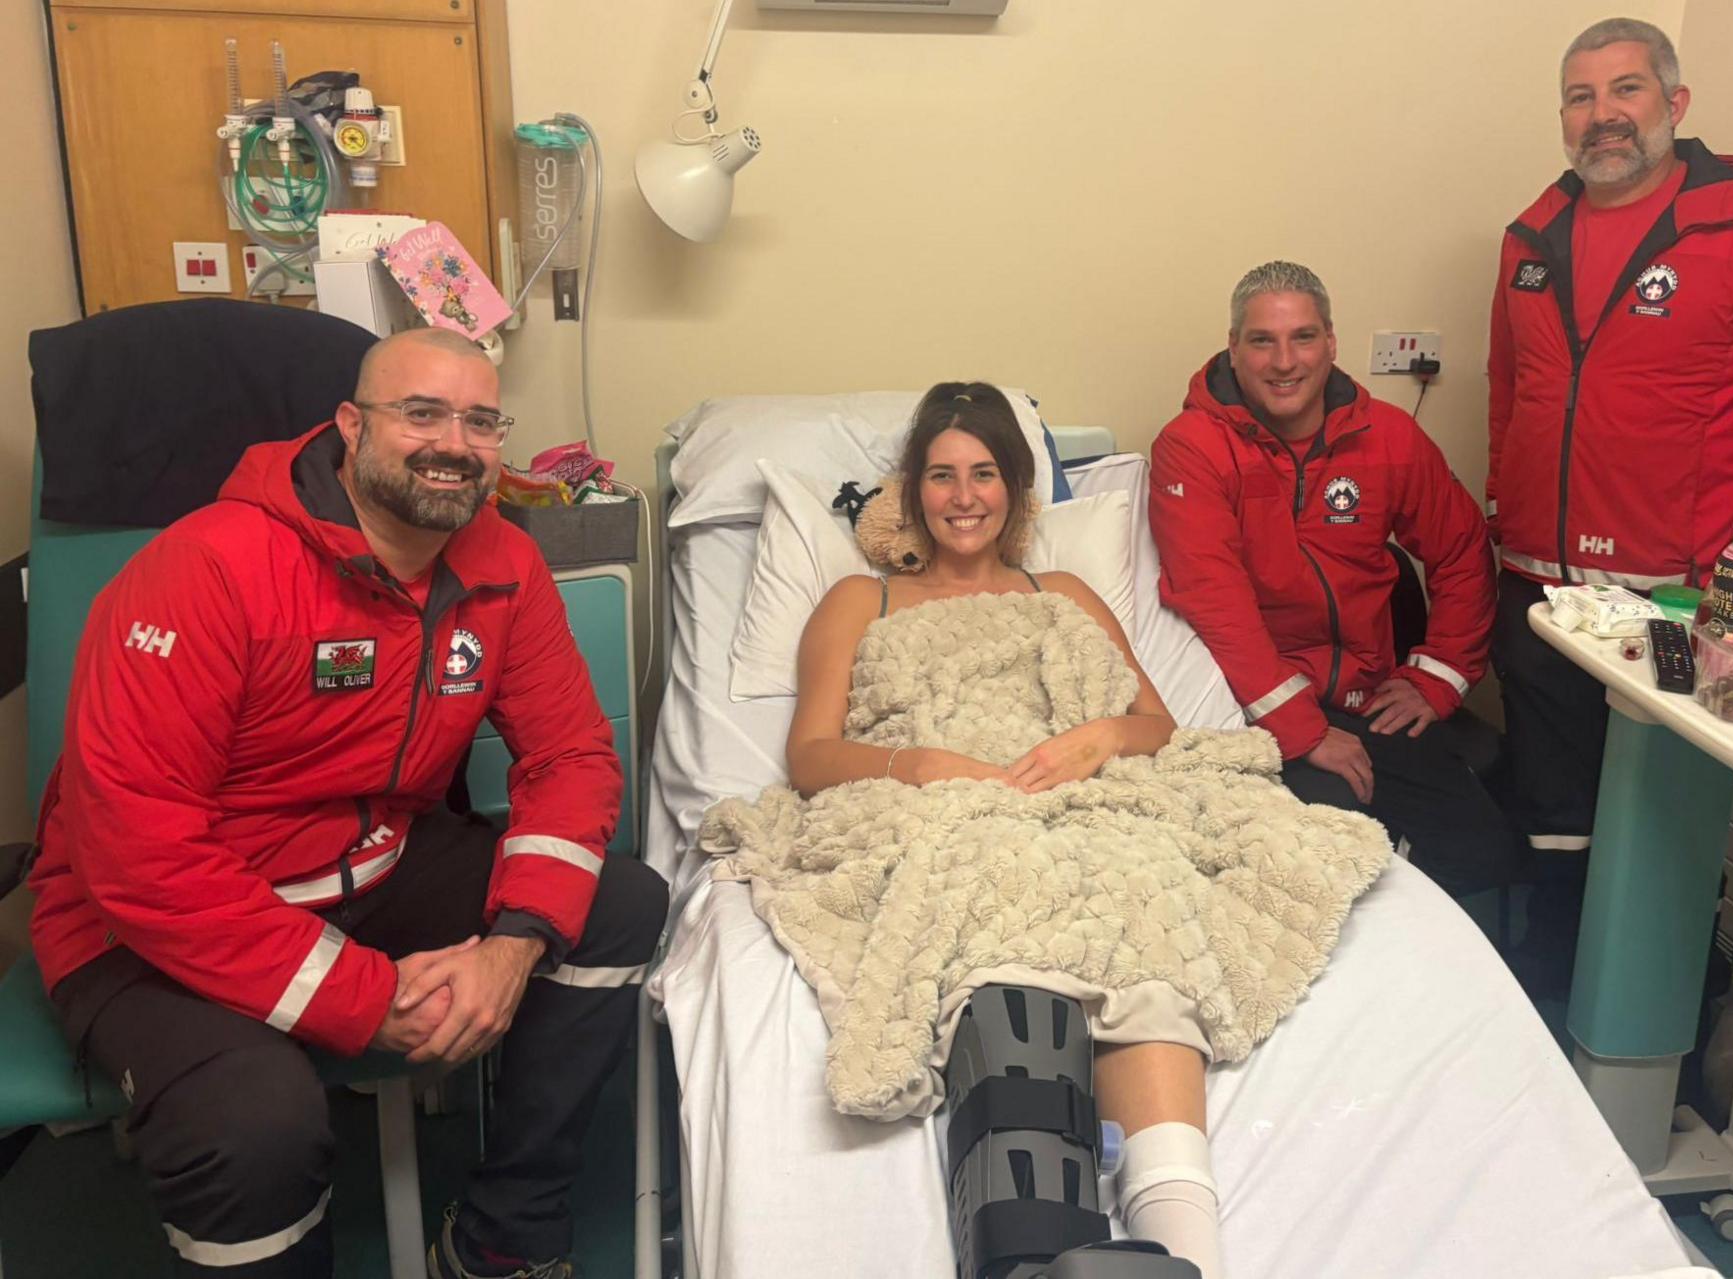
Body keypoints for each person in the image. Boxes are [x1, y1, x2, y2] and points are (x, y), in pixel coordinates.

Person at [28, 327, 668, 1279]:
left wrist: (514, 943)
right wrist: (360, 999)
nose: (453, 441)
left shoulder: (502, 565)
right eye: (421, 412)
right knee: (255, 1125)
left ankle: (503, 1235)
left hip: (365, 863)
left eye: (481, 419)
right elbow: (139, 850)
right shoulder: (207, 567)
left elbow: (571, 755)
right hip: (145, 924)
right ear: (349, 427)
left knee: (620, 904)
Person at [785, 383, 1222, 1276]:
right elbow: (810, 755)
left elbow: (1158, 725)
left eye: (983, 473)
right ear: (912, 492)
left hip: (1074, 797)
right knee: (998, 888)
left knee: (1141, 911)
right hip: (939, 802)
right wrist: (921, 766)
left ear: (1016, 492)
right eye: (941, 475)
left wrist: (1098, 738)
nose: (962, 495)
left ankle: (1187, 1256)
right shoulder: (858, 601)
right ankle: (1032, 1247)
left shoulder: (1060, 592)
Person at [1487, 17, 1733, 988]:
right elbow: (1513, 391)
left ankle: (1660, 1020)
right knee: (1554, 814)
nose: (1602, 115)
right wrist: (1505, 505)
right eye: (1581, 96)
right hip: (1540, 592)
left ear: (1674, 103)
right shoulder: (1530, 240)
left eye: (1626, 90)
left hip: (1682, 605)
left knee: (1662, 831)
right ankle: (1548, 1001)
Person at [1149, 260, 1513, 894]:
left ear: (1332, 342)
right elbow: (1216, 602)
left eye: (1303, 337)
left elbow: (1462, 550)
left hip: (1365, 706)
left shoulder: (1388, 436)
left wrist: (1438, 676)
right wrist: (1302, 730)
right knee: (1319, 872)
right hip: (1249, 713)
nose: (1284, 361)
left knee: (1484, 854)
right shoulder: (1192, 447)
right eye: (1262, 340)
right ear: (1233, 349)